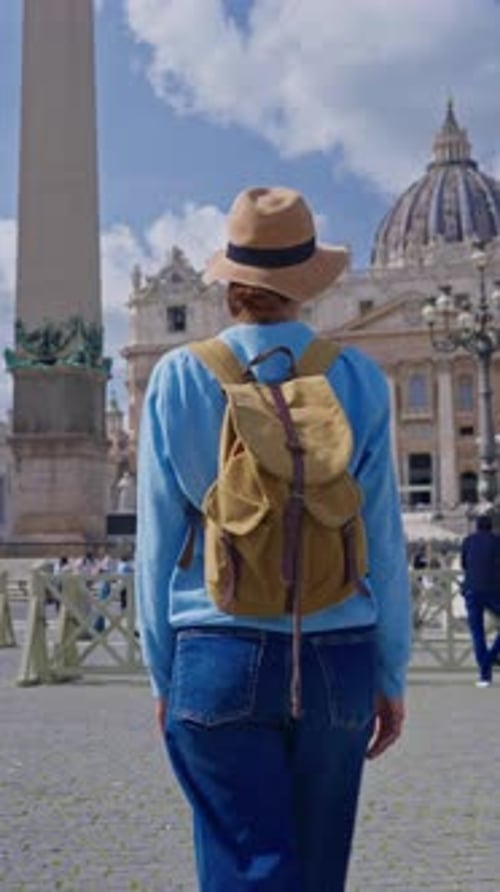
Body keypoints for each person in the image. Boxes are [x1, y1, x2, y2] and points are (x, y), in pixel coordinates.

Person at [135, 186, 412, 891]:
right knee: (317, 876)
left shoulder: (177, 377)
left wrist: (163, 672)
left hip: (216, 648)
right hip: (339, 652)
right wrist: (388, 672)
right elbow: (381, 540)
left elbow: (159, 544)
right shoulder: (358, 378)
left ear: (230, 281)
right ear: (307, 284)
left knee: (245, 868)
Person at [461, 513, 500, 687]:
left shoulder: (468, 541)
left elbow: (464, 564)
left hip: (471, 589)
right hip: (493, 589)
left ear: (476, 526)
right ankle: (490, 658)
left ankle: (485, 675)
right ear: (491, 526)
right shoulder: (497, 541)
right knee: (479, 632)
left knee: (477, 633)